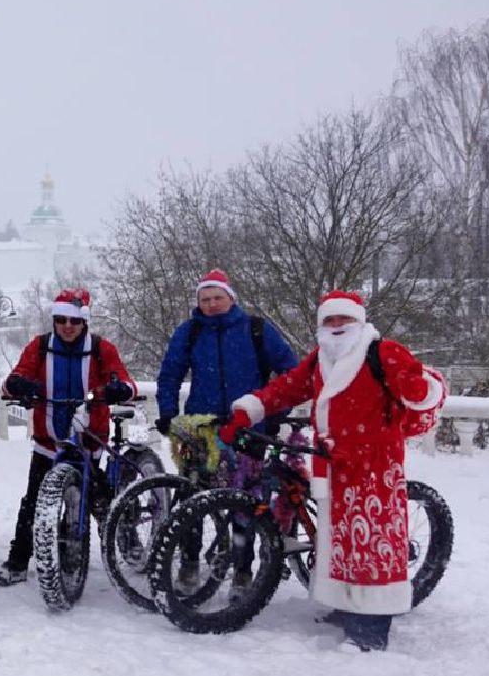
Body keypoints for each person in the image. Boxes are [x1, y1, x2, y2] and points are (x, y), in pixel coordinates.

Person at [218, 290, 445, 651]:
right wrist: (250, 410)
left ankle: (372, 625)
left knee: (372, 542)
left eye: (344, 319)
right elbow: (287, 388)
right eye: (330, 320)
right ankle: (345, 603)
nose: (337, 326)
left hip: (373, 466)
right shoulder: (320, 359)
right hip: (333, 464)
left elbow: (419, 391)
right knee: (339, 541)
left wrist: (417, 388)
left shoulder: (382, 352)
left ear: (359, 321)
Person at [0, 289, 137, 586]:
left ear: (84, 322)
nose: (67, 326)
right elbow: (12, 380)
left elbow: (125, 381)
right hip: (48, 443)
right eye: (61, 320)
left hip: (89, 440)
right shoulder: (40, 346)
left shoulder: (101, 349)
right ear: (54, 320)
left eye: (74, 321)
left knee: (100, 501)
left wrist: (117, 389)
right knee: (33, 502)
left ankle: (127, 541)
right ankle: (17, 562)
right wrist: (20, 384)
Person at [155, 269, 299, 435]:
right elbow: (169, 377)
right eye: (205, 300)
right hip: (202, 428)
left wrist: (276, 410)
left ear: (231, 298)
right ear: (198, 303)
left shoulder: (257, 329)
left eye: (218, 298)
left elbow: (292, 374)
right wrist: (168, 414)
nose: (212, 304)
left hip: (251, 428)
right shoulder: (189, 332)